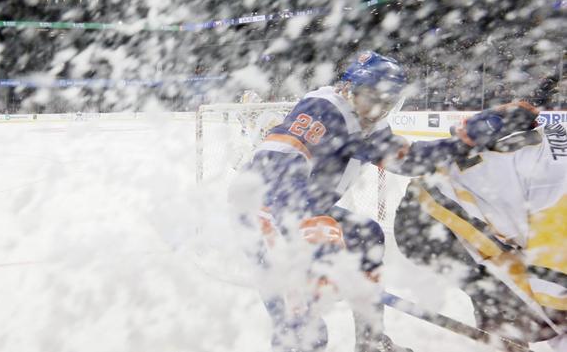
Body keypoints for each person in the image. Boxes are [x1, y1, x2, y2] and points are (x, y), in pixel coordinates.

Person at [228, 51, 533, 352]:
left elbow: (411, 161)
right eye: (373, 99)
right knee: (303, 327)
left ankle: (371, 341)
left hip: (308, 212)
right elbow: (275, 166)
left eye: (387, 102)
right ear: (349, 89)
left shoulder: (367, 122)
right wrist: (310, 225)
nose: (378, 110)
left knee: (366, 235)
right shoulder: (324, 108)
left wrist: (482, 130)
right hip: (267, 215)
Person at [394, 109, 566, 351]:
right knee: (521, 310)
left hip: (447, 205)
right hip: (430, 219)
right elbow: (552, 299)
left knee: (507, 302)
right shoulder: (560, 199)